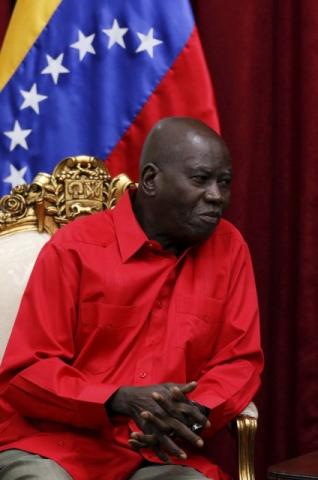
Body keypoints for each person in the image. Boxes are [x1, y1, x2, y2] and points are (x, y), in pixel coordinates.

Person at [0, 117, 263, 480]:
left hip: (158, 453)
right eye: (201, 180)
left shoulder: (230, 249)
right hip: (57, 445)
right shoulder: (76, 248)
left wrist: (193, 410)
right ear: (152, 180)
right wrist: (117, 398)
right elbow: (28, 370)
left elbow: (238, 361)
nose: (217, 196)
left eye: (224, 182)